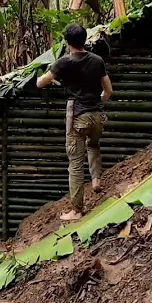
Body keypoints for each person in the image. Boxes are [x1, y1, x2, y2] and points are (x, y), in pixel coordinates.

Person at [36, 24, 113, 221]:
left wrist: (47, 76)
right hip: (97, 116)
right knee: (93, 145)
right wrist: (99, 101)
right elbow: (108, 91)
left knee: (75, 164)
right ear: (84, 39)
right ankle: (96, 180)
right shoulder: (98, 60)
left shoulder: (64, 62)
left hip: (77, 117)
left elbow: (40, 82)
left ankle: (77, 211)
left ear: (67, 43)